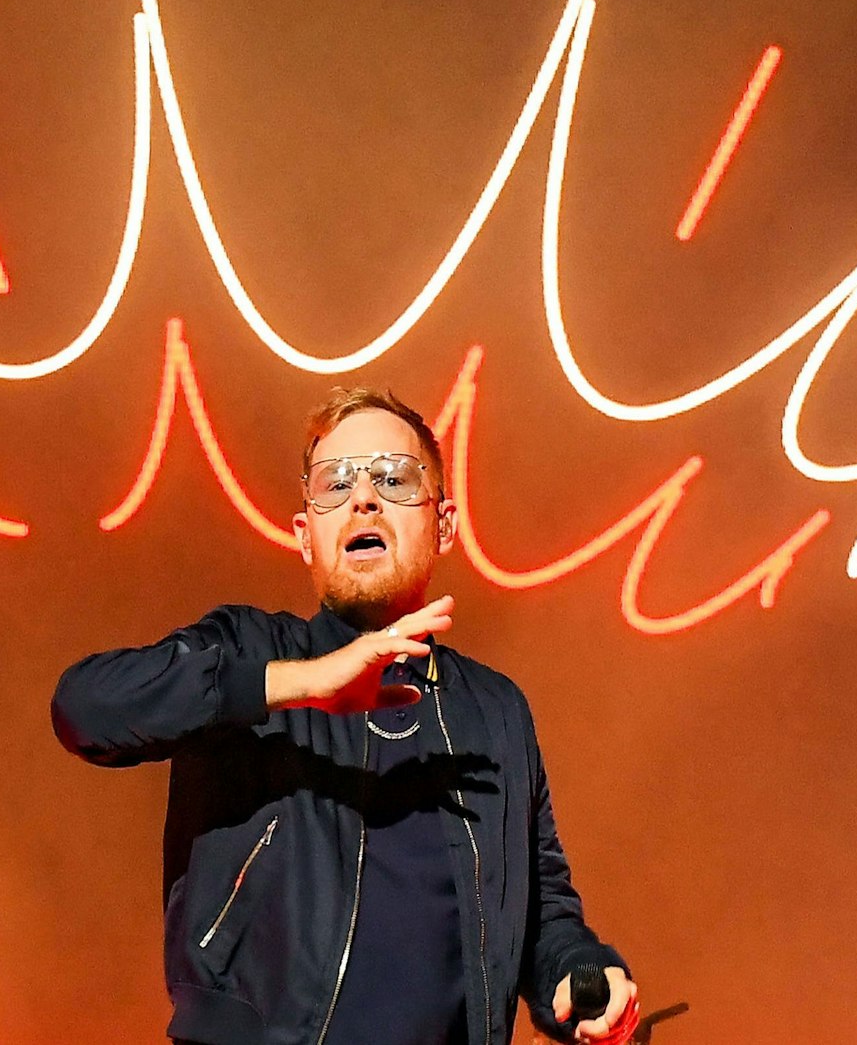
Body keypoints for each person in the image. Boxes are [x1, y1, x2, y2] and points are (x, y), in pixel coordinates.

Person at [52, 387, 639, 1045]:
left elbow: (540, 915)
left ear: (444, 524)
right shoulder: (252, 652)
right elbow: (85, 706)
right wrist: (299, 683)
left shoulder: (494, 710)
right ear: (306, 536)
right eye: (335, 483)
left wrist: (583, 974)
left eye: (394, 478)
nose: (363, 498)